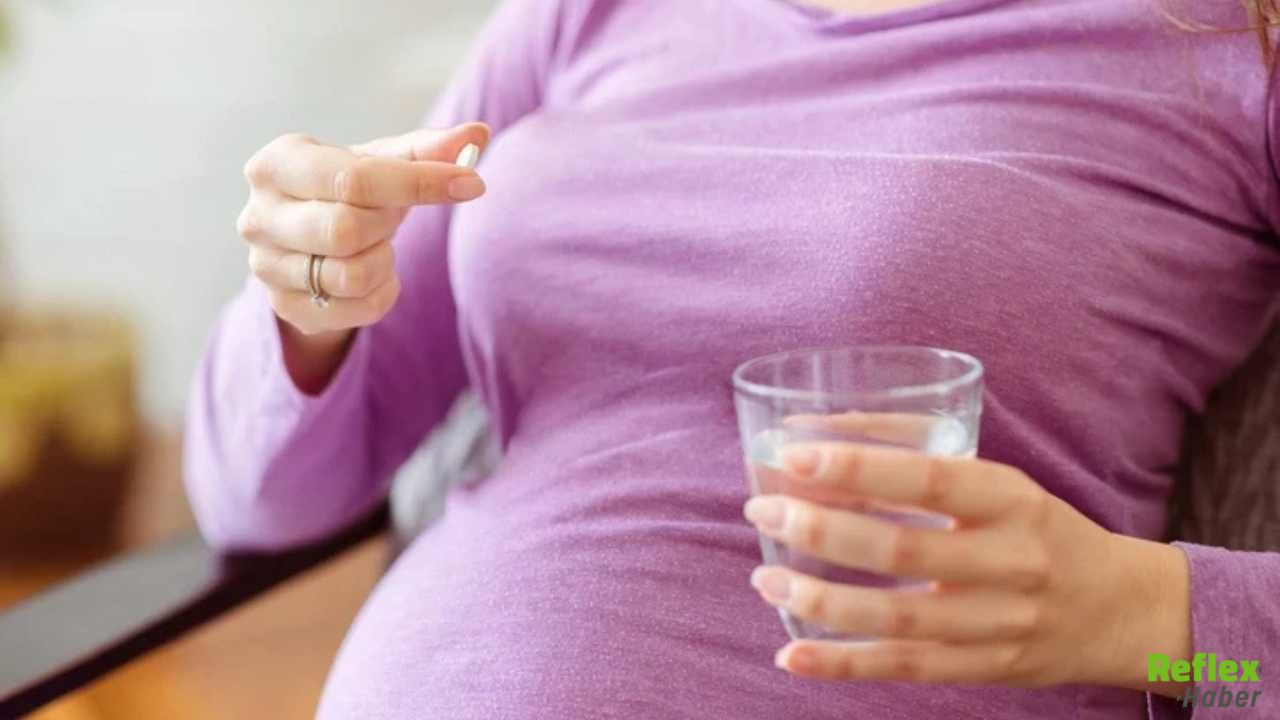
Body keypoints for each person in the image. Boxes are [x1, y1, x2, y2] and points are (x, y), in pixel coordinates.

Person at [184, 0, 1280, 717]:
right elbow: (256, 503)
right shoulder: (588, 15)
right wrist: (305, 296)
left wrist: (1147, 620)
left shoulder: (1228, 41)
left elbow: (1236, 675)